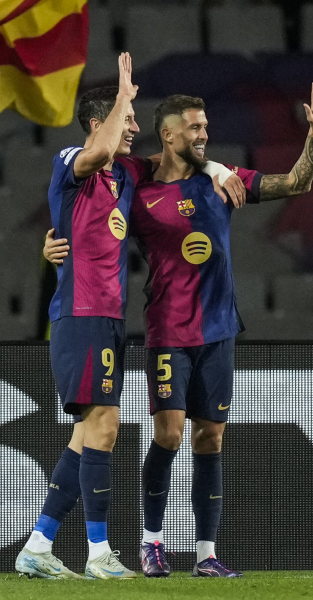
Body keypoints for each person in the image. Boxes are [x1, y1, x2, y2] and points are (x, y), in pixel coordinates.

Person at [45, 82, 313, 577]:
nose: (205, 134)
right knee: (170, 434)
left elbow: (295, 183)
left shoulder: (222, 179)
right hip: (167, 327)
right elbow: (86, 209)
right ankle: (150, 543)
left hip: (219, 327)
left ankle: (206, 555)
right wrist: (52, 248)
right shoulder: (134, 178)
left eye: (205, 126)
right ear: (169, 135)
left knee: (211, 438)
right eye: (195, 127)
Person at [16, 54, 141, 580]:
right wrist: (122, 95)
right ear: (99, 123)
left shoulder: (125, 180)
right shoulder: (73, 159)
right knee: (104, 426)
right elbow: (99, 151)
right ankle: (97, 554)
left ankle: (38, 547)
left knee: (85, 434)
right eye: (127, 119)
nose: (134, 127)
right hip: (81, 311)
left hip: (108, 315)